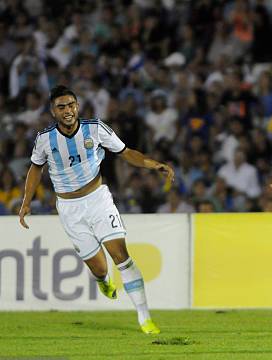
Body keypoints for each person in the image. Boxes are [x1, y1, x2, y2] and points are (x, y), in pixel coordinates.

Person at [19, 85, 175, 335]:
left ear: (77, 106)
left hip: (98, 199)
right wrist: (26, 201)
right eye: (61, 107)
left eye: (71, 105)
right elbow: (36, 168)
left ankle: (145, 318)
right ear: (53, 111)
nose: (68, 110)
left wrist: (154, 164)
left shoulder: (95, 128)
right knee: (100, 268)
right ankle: (103, 281)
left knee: (121, 255)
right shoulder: (45, 139)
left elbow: (126, 152)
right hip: (69, 208)